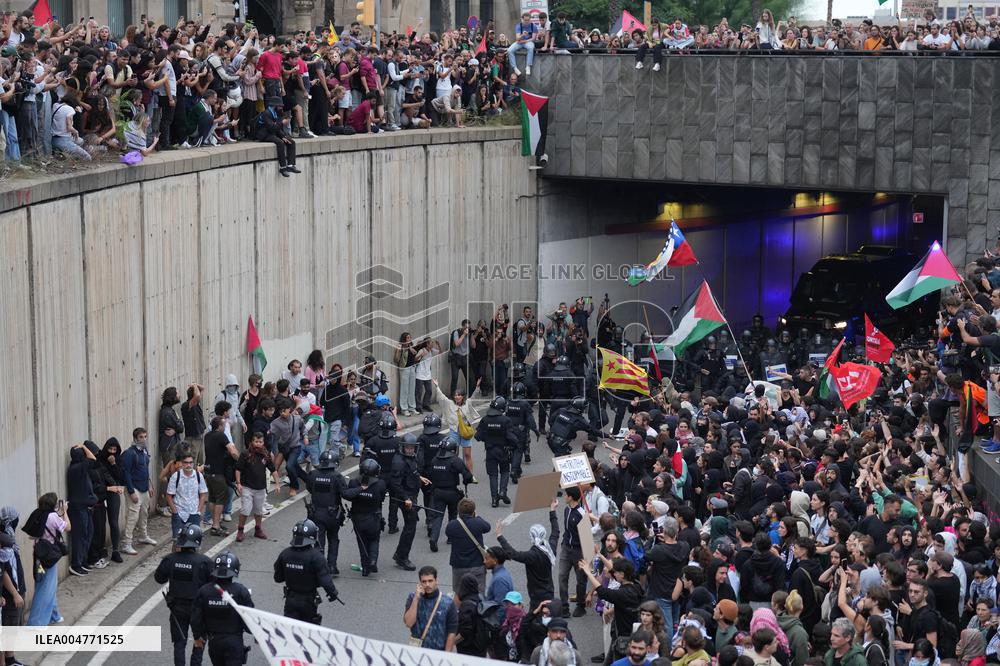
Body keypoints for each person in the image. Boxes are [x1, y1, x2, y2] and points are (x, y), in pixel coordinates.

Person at [154, 524, 213, 666]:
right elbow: (213, 586)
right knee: (199, 640)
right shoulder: (205, 562)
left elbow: (159, 578)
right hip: (198, 609)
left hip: (177, 608)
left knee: (179, 643)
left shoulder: (170, 559)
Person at [191, 551, 253, 666]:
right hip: (234, 641)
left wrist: (197, 636)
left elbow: (196, 618)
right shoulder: (241, 591)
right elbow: (250, 619)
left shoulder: (204, 591)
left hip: (214, 642)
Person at [495, 499, 559, 610]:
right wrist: (552, 511)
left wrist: (500, 536)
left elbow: (513, 554)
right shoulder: (550, 549)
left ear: (531, 537)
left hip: (536, 596)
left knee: (533, 621)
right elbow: (555, 532)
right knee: (548, 618)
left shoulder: (532, 555)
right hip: (549, 592)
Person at [273, 519, 339, 624]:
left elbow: (278, 578)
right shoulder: (316, 556)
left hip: (291, 599)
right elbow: (325, 579)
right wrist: (333, 593)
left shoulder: (285, 554)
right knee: (307, 631)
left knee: (290, 629)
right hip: (308, 600)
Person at [24, 494, 69, 627]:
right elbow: (68, 527)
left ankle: (54, 616)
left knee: (46, 584)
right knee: (45, 588)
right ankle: (36, 623)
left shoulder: (38, 514)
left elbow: (31, 534)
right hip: (49, 556)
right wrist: (65, 512)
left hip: (38, 554)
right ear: (53, 504)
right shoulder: (52, 516)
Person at [342, 458, 387, 576]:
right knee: (374, 540)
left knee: (361, 542)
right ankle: (372, 560)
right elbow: (382, 498)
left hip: (358, 519)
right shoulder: (380, 484)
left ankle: (365, 567)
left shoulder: (353, 483)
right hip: (373, 518)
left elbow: (348, 495)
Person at [428, 438, 473, 553]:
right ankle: (450, 538)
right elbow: (467, 475)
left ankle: (434, 538)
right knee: (452, 515)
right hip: (452, 492)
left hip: (437, 492)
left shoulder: (434, 460)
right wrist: (466, 481)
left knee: (438, 516)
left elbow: (430, 475)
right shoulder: (455, 460)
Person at [305, 449, 346, 576]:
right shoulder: (337, 477)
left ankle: (320, 568)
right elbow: (344, 493)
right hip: (333, 514)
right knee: (333, 539)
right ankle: (332, 566)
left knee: (318, 541)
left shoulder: (313, 475)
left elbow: (309, 488)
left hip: (316, 513)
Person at [475, 396, 520, 507]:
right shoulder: (505, 420)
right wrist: (516, 444)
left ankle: (494, 499)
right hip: (503, 451)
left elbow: (477, 436)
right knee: (505, 471)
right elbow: (511, 437)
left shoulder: (485, 419)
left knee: (493, 475)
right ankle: (503, 492)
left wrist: (488, 437)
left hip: (490, 451)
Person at [390, 434, 426, 571]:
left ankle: (400, 554)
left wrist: (419, 477)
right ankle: (402, 557)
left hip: (412, 495)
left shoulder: (410, 458)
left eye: (412, 448)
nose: (410, 450)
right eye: (408, 448)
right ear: (402, 448)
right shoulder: (399, 462)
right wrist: (406, 498)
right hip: (405, 497)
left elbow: (412, 471)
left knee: (411, 526)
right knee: (410, 527)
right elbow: (396, 484)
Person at [404, 566, 458, 652]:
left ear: (436, 581)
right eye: (424, 582)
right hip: (417, 651)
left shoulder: (448, 603)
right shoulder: (412, 598)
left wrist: (447, 656)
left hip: (438, 652)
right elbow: (409, 623)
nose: (427, 584)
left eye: (430, 581)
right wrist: (416, 599)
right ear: (420, 583)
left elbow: (452, 632)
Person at [120, 428, 156, 556]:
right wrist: (131, 492)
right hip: (134, 488)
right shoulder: (130, 453)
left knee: (144, 513)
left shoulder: (144, 452)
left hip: (144, 487)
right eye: (141, 437)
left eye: (145, 436)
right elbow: (126, 473)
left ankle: (143, 536)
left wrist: (149, 485)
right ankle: (127, 543)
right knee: (132, 516)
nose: (144, 439)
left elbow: (145, 469)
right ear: (135, 438)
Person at [234, 432, 273, 542]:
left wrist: (278, 483)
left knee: (259, 511)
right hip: (247, 487)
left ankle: (258, 529)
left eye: (260, 442)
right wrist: (238, 483)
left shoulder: (265, 454)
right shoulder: (245, 454)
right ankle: (240, 530)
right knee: (245, 509)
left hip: (260, 488)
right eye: (256, 441)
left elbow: (273, 468)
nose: (258, 444)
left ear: (263, 442)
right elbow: (238, 469)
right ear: (252, 441)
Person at [445, 498, 490, 591]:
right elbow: (487, 527)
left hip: (458, 566)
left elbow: (448, 533)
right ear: (473, 511)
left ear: (459, 511)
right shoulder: (477, 523)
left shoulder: (452, 525)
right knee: (479, 593)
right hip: (476, 565)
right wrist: (477, 517)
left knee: (458, 593)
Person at [204, 417, 238, 536]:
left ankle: (215, 522)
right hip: (218, 472)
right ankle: (216, 526)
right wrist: (240, 461)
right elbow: (232, 451)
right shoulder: (221, 436)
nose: (225, 428)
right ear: (219, 426)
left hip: (208, 471)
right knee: (220, 498)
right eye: (224, 425)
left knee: (212, 498)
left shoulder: (207, 436)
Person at [166, 449, 208, 542]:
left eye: (191, 462)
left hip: (194, 514)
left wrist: (198, 511)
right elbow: (169, 496)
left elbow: (203, 494)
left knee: (194, 542)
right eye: (186, 462)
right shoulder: (175, 477)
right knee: (177, 542)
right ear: (181, 463)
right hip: (179, 514)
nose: (188, 465)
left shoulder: (198, 476)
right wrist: (175, 512)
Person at [255, 96, 300, 176]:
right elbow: (272, 127)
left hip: (272, 132)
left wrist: (283, 136)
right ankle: (283, 167)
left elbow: (277, 128)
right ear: (275, 105)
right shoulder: (266, 113)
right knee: (280, 143)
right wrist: (282, 123)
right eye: (279, 106)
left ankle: (291, 165)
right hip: (265, 134)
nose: (280, 107)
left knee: (291, 141)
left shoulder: (275, 113)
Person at [455, 572, 487, 656]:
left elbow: (465, 631)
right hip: (481, 644)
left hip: (469, 648)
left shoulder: (466, 605)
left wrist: (453, 641)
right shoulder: (480, 598)